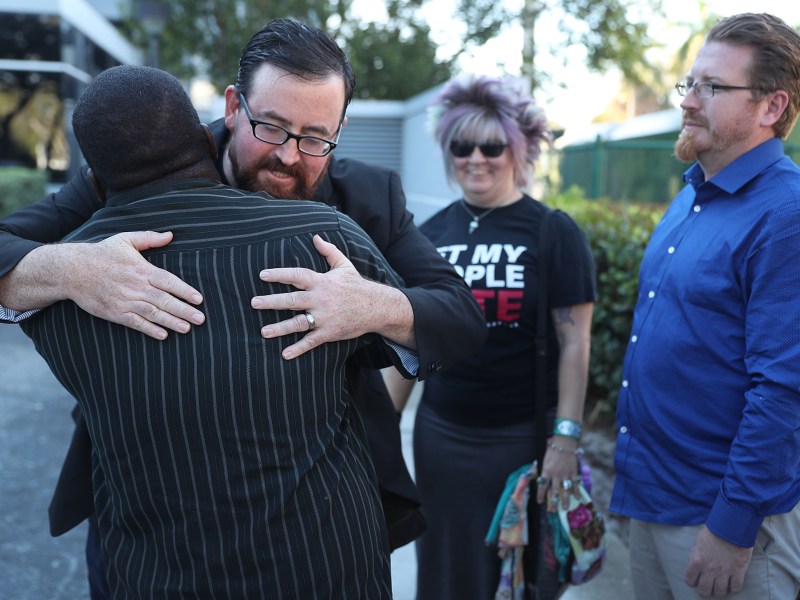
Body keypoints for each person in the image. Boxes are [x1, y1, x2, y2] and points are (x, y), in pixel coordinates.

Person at [0, 17, 486, 596]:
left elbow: (460, 316)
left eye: (314, 138)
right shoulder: (140, 156)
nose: (287, 156)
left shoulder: (367, 198)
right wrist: (73, 268)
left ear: (339, 131)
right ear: (233, 106)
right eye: (271, 127)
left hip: (313, 519)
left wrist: (375, 306)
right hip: (145, 509)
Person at [609, 12, 800, 600]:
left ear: (772, 107)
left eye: (712, 87)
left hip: (721, 524)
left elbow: (785, 387)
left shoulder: (785, 214)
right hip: (653, 502)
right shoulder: (691, 194)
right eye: (689, 83)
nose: (689, 101)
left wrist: (733, 525)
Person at [385, 75, 596, 599]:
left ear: (517, 150)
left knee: (512, 574)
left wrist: (565, 438)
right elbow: (411, 339)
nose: (475, 158)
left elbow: (575, 342)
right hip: (441, 438)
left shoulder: (552, 232)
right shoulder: (428, 236)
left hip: (519, 442)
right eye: (462, 145)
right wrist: (379, 430)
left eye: (492, 146)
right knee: (442, 564)